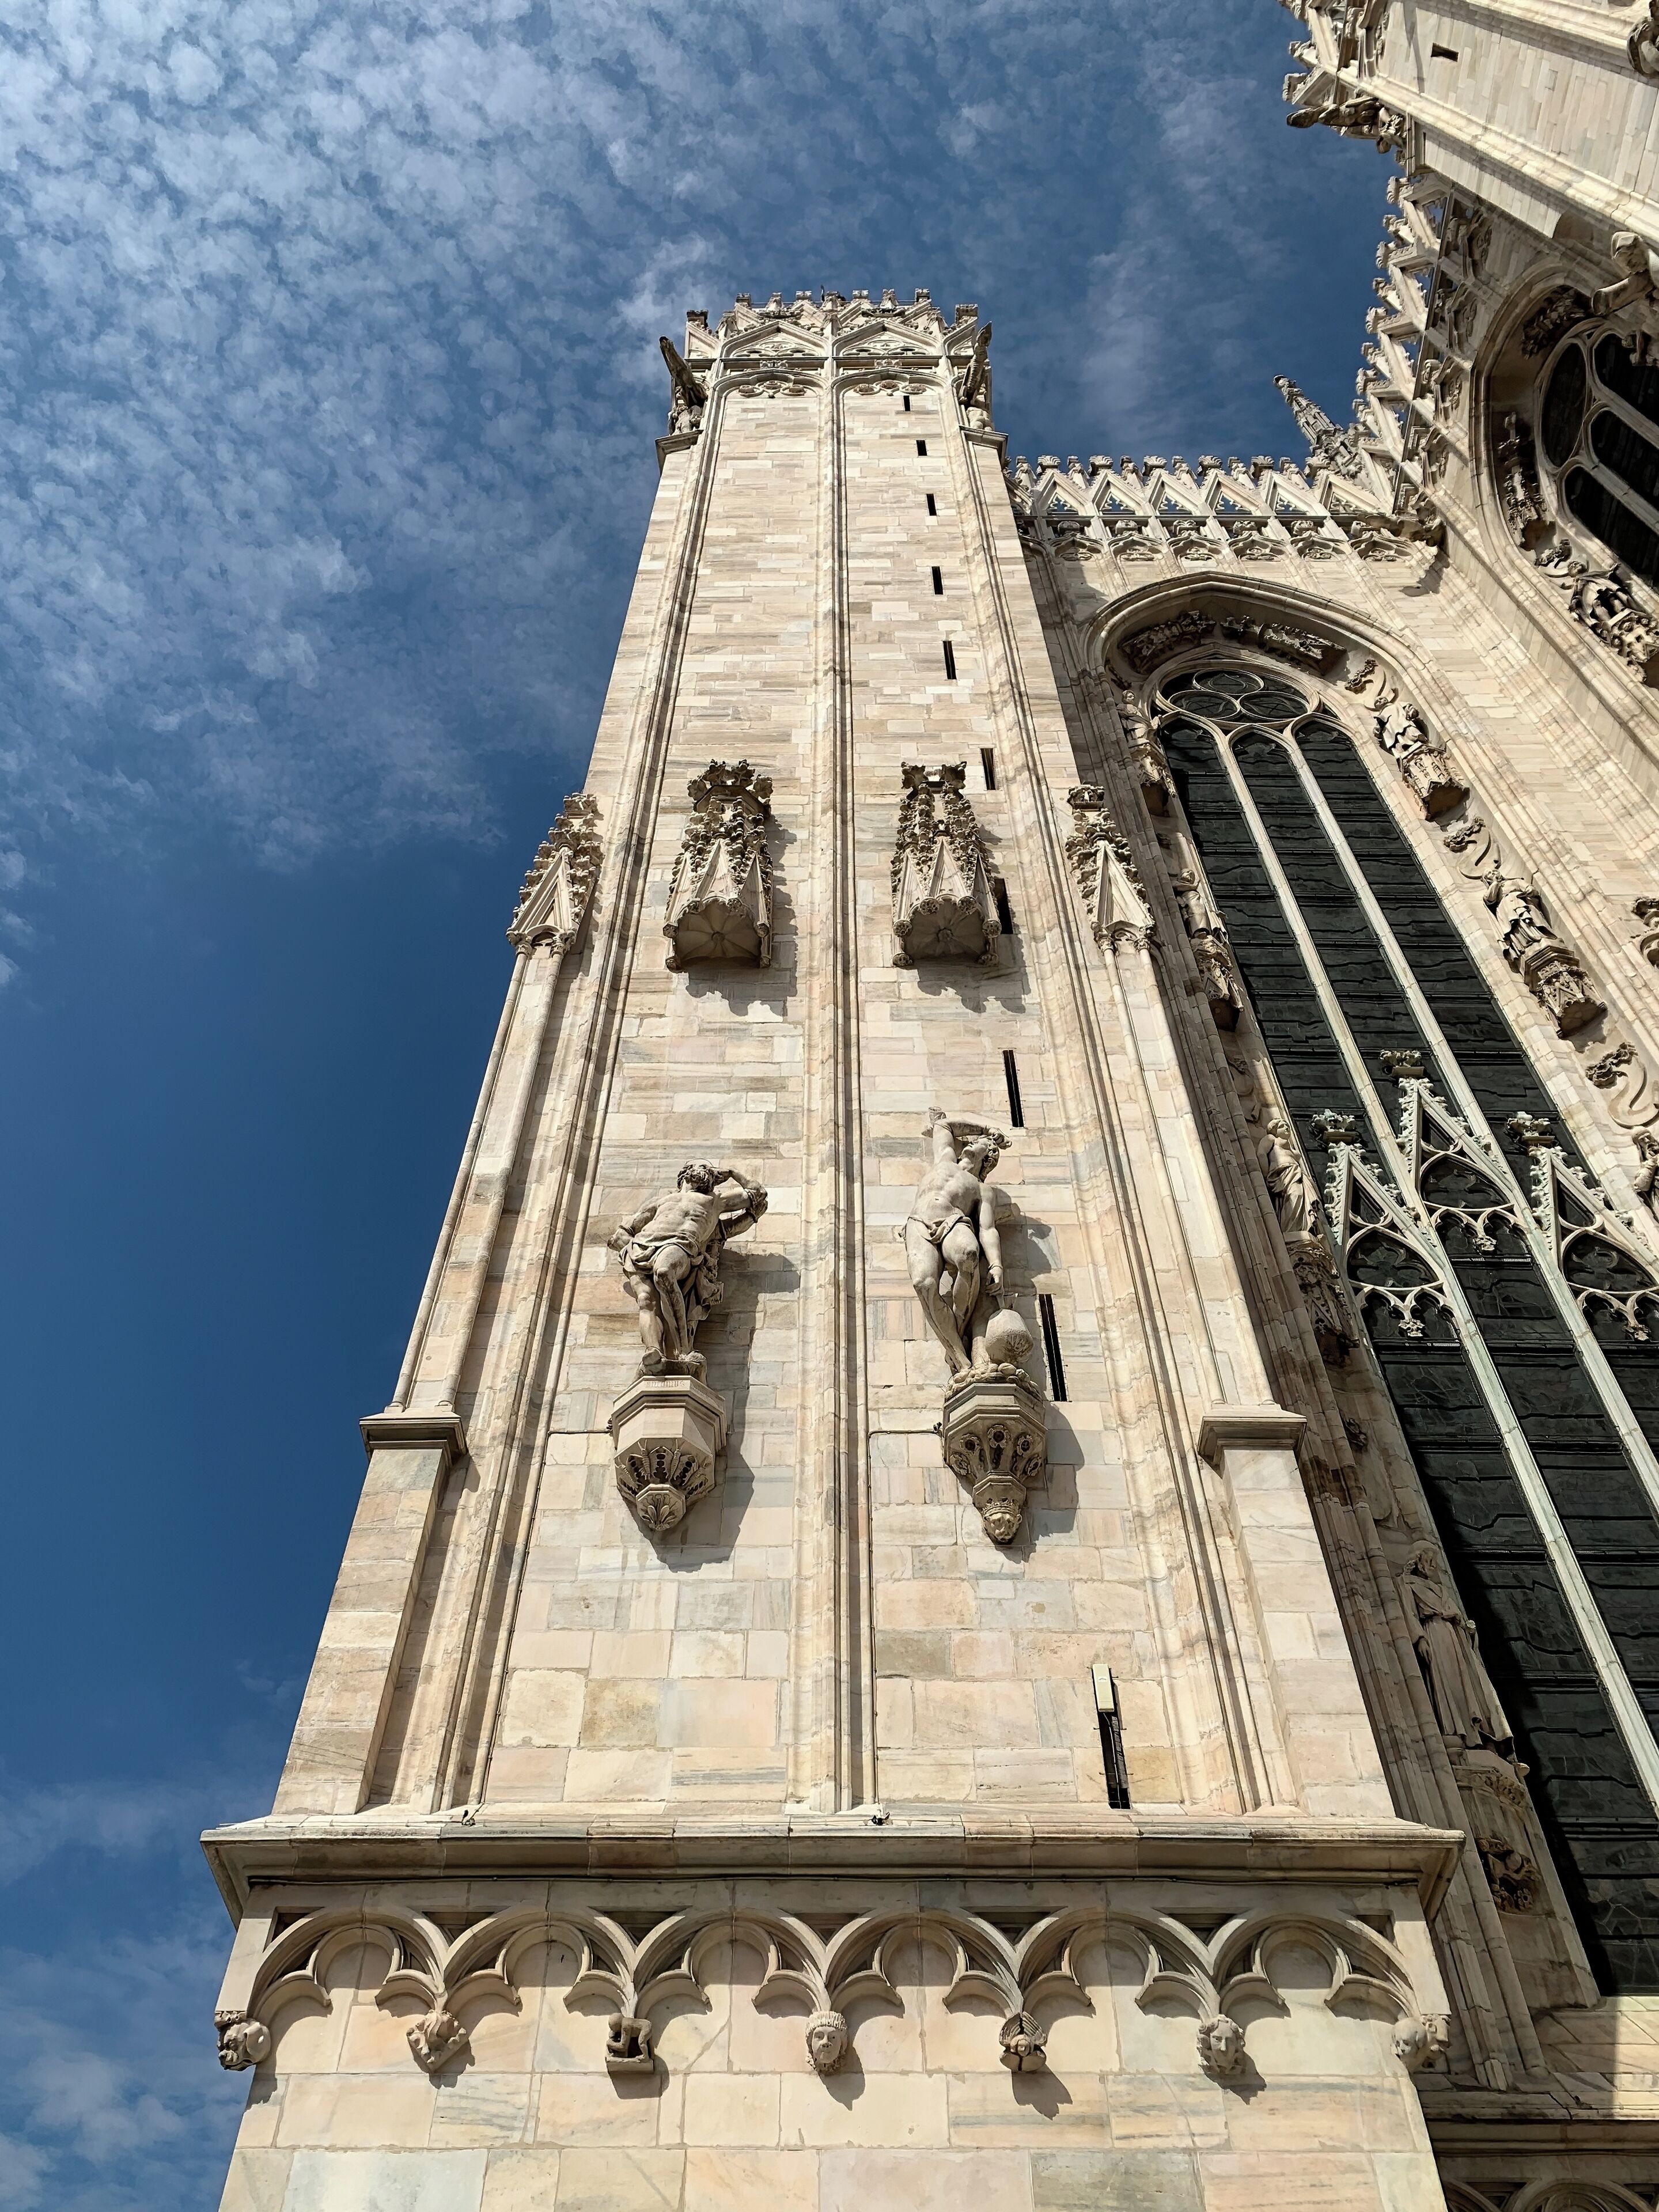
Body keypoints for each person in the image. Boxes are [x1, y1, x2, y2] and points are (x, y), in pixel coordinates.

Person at [608, 1162, 767, 1371]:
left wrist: (731, 1173)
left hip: (680, 1244)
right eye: (698, 1165)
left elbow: (758, 1194)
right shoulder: (660, 1201)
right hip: (641, 1248)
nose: (704, 1169)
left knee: (664, 1272)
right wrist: (630, 1248)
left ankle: (682, 1350)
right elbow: (620, 1235)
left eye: (709, 1168)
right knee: (646, 1301)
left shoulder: (715, 1201)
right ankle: (654, 1352)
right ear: (684, 1173)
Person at [902, 1110, 1011, 1376]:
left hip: (953, 1220)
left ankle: (959, 1327)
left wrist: (996, 1265)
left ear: (987, 1160)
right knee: (924, 1285)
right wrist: (986, 1127)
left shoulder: (981, 1188)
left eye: (983, 1144)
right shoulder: (945, 1160)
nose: (973, 1143)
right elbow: (943, 1125)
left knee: (969, 1254)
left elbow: (987, 1229)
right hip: (918, 1223)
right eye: (972, 1140)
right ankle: (960, 1359)